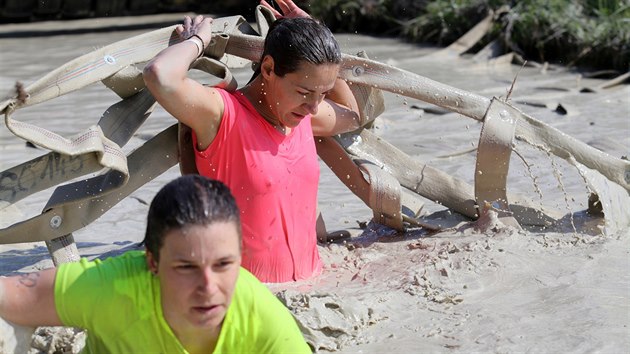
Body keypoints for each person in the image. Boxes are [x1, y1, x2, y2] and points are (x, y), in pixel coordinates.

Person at [143, 0, 361, 283]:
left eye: (324, 93)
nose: (315, 106)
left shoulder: (305, 117)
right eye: (305, 91)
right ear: (268, 68)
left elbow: (353, 116)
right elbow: (160, 76)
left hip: (311, 287)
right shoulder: (223, 115)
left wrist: (315, 29)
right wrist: (197, 41)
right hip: (247, 298)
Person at [0, 175, 312, 353]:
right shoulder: (108, 289)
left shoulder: (266, 324)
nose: (208, 288)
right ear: (152, 261)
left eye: (223, 264)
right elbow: (10, 295)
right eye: (186, 267)